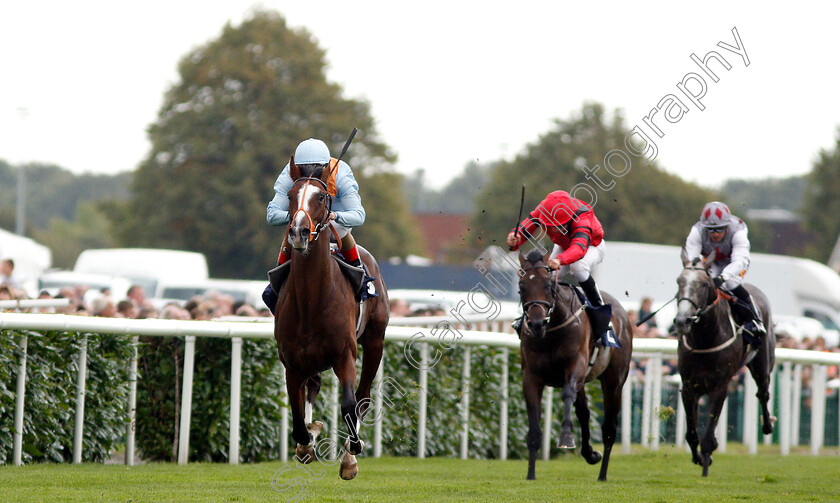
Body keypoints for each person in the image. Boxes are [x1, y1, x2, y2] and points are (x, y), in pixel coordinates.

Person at [263, 138, 366, 313]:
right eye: (304, 170)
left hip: (333, 220)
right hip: (303, 223)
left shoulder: (340, 172)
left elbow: (358, 215)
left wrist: (334, 215)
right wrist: (299, 216)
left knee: (339, 229)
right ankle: (275, 286)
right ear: (297, 168)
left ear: (325, 168)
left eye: (316, 170)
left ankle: (361, 278)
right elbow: (272, 215)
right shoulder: (290, 172)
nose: (309, 175)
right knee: (294, 227)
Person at [506, 190, 619, 347]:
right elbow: (525, 228)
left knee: (578, 268)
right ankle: (536, 318)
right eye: (551, 227)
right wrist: (514, 238)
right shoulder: (543, 210)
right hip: (565, 245)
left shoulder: (582, 217)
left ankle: (603, 319)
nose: (553, 231)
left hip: (592, 246)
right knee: (547, 278)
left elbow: (579, 248)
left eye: (558, 227)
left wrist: (560, 259)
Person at [684, 201, 767, 346]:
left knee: (730, 283)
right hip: (712, 262)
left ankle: (755, 319)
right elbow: (692, 259)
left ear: (727, 226)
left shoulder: (738, 232)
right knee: (693, 282)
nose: (715, 234)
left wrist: (723, 277)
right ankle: (686, 316)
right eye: (710, 230)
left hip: (735, 262)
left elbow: (739, 261)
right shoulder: (696, 231)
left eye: (719, 229)